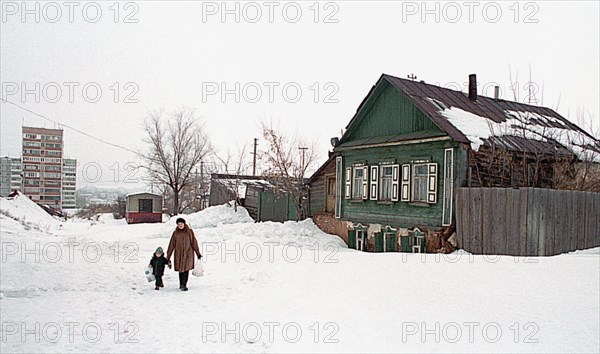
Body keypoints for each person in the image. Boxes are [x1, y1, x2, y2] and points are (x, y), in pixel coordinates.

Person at [166, 217, 202, 291]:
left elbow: (194, 242)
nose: (180, 225)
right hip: (179, 253)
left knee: (186, 269)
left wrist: (198, 253)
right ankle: (181, 284)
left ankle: (184, 284)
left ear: (184, 224)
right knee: (180, 269)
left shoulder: (189, 232)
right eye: (178, 224)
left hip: (188, 253)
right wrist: (168, 256)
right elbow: (171, 244)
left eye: (181, 224)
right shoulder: (175, 233)